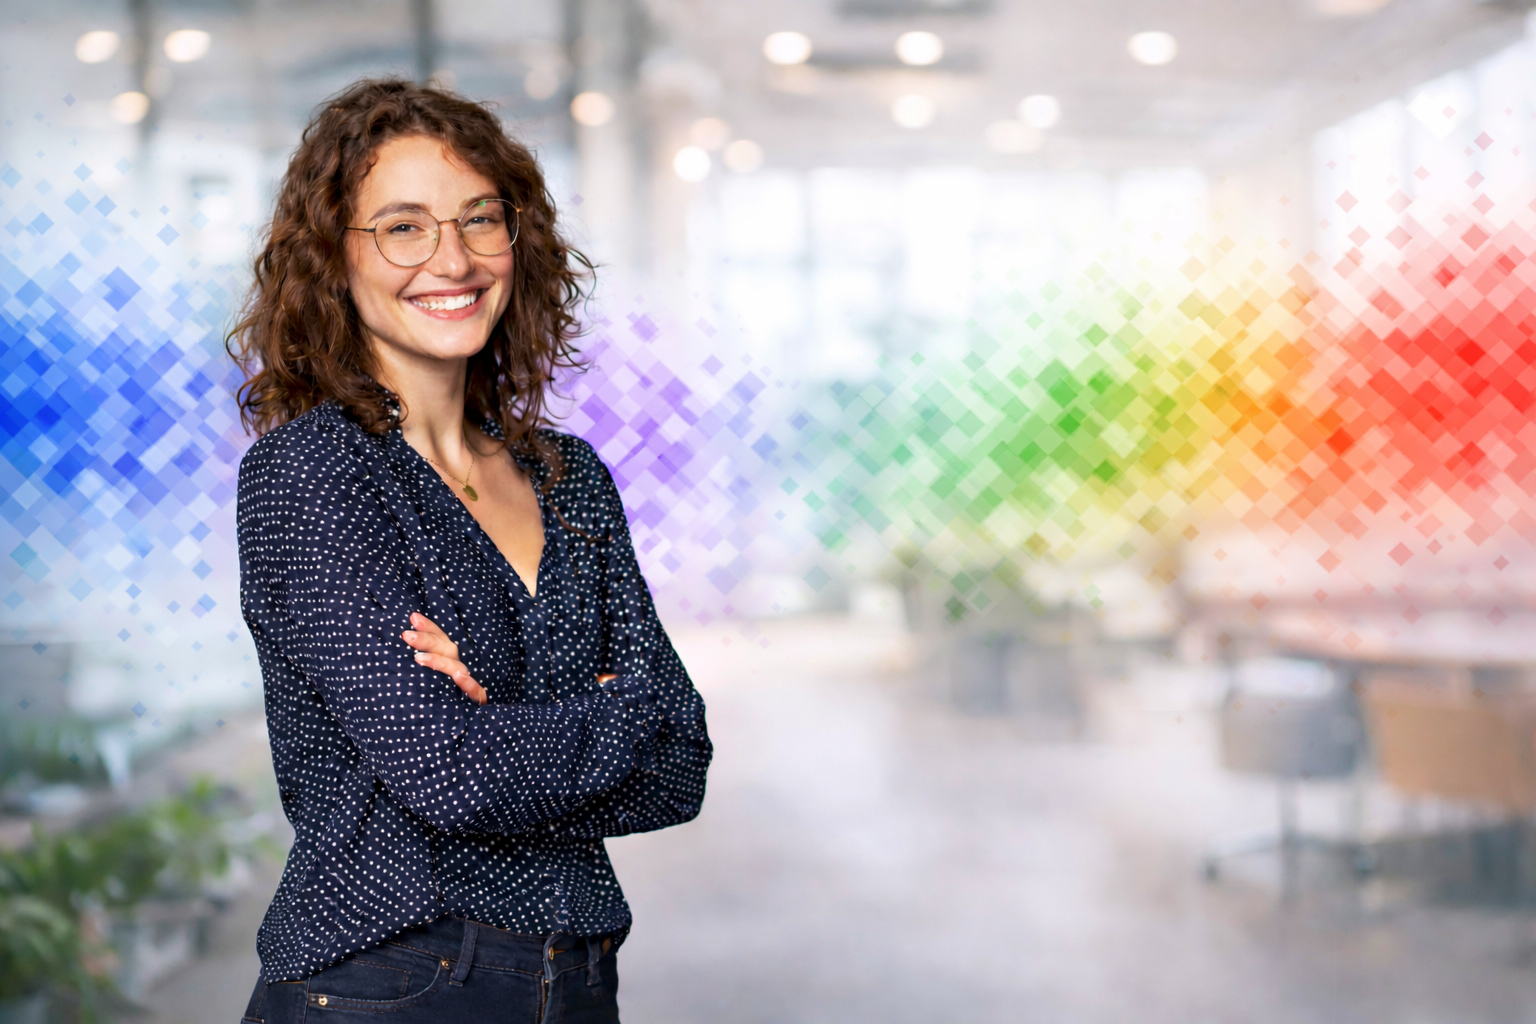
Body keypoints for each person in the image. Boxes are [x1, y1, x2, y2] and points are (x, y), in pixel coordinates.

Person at [227, 77, 711, 1023]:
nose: (452, 259)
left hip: (576, 982)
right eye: (402, 228)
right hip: (391, 980)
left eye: (479, 219)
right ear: (332, 256)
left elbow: (681, 761)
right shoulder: (314, 475)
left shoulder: (570, 478)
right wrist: (610, 711)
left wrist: (504, 723)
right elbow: (450, 775)